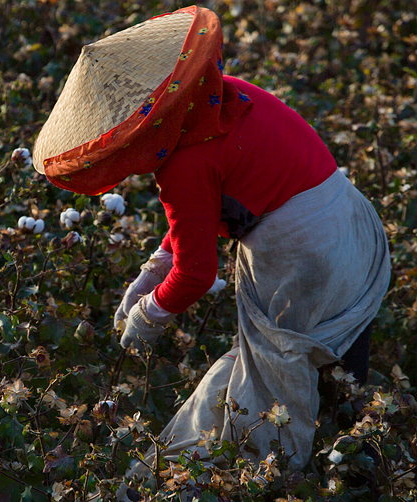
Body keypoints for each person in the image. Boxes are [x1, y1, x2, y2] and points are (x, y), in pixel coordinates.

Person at [31, 5, 390, 472]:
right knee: (345, 380)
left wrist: (146, 316)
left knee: (272, 396)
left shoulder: (184, 165)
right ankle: (366, 468)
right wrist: (152, 271)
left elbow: (197, 275)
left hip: (302, 259)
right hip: (354, 223)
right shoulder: (226, 95)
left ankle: (293, 476)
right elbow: (201, 214)